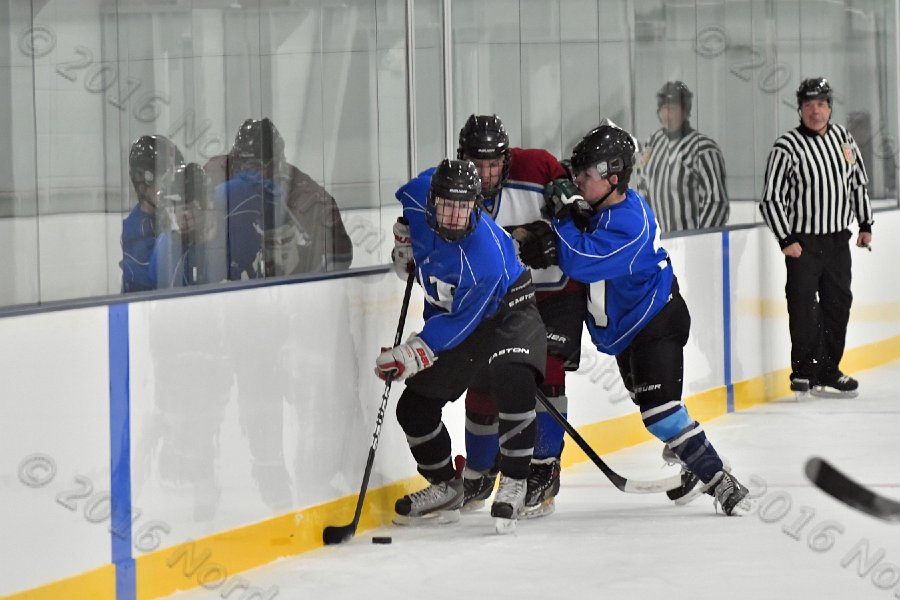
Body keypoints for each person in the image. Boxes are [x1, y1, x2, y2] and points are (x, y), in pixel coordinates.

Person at [523, 123, 749, 515]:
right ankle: (692, 463)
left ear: (614, 178)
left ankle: (720, 478)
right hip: (628, 334)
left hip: (656, 324)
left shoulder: (630, 221)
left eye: (586, 175)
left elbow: (580, 260)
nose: (578, 180)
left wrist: (560, 216)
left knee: (659, 413)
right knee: (655, 411)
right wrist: (569, 197)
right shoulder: (598, 206)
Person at [376, 158, 547, 533]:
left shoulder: (483, 258)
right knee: (414, 409)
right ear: (432, 201)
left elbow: (459, 326)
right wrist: (405, 238)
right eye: (447, 205)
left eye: (464, 207)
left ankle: (515, 481)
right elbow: (407, 195)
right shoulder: (418, 196)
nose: (455, 216)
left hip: (508, 310)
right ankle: (445, 487)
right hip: (461, 313)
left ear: (477, 206)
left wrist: (411, 353)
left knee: (511, 378)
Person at [452, 114, 586, 517]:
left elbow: (582, 217)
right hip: (501, 303)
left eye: (493, 163)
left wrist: (552, 238)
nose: (486, 173)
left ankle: (543, 468)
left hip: (555, 294)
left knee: (547, 371)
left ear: (506, 159)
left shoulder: (538, 166)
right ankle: (480, 470)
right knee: (483, 376)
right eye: (478, 164)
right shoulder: (456, 188)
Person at [760, 77, 873, 398]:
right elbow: (770, 199)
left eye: (821, 104)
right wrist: (786, 239)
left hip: (838, 241)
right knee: (804, 308)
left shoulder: (844, 140)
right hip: (803, 244)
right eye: (808, 105)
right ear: (799, 109)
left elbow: (857, 184)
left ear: (830, 107)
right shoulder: (786, 147)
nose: (815, 111)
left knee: (838, 306)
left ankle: (828, 370)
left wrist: (865, 224)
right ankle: (804, 372)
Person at [204, 118, 353, 277]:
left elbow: (341, 256)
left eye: (258, 167)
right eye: (243, 165)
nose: (249, 175)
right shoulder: (216, 178)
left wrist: (302, 262)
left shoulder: (304, 193)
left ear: (277, 165)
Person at [636, 81, 729, 232]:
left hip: (690, 246)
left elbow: (716, 202)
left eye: (672, 109)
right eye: (663, 108)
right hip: (659, 243)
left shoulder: (703, 149)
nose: (667, 115)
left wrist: (700, 240)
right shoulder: (651, 142)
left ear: (685, 111)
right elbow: (642, 187)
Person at [121, 135, 185, 292]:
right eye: (164, 177)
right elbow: (162, 280)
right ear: (144, 182)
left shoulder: (163, 215)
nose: (171, 184)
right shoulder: (136, 229)